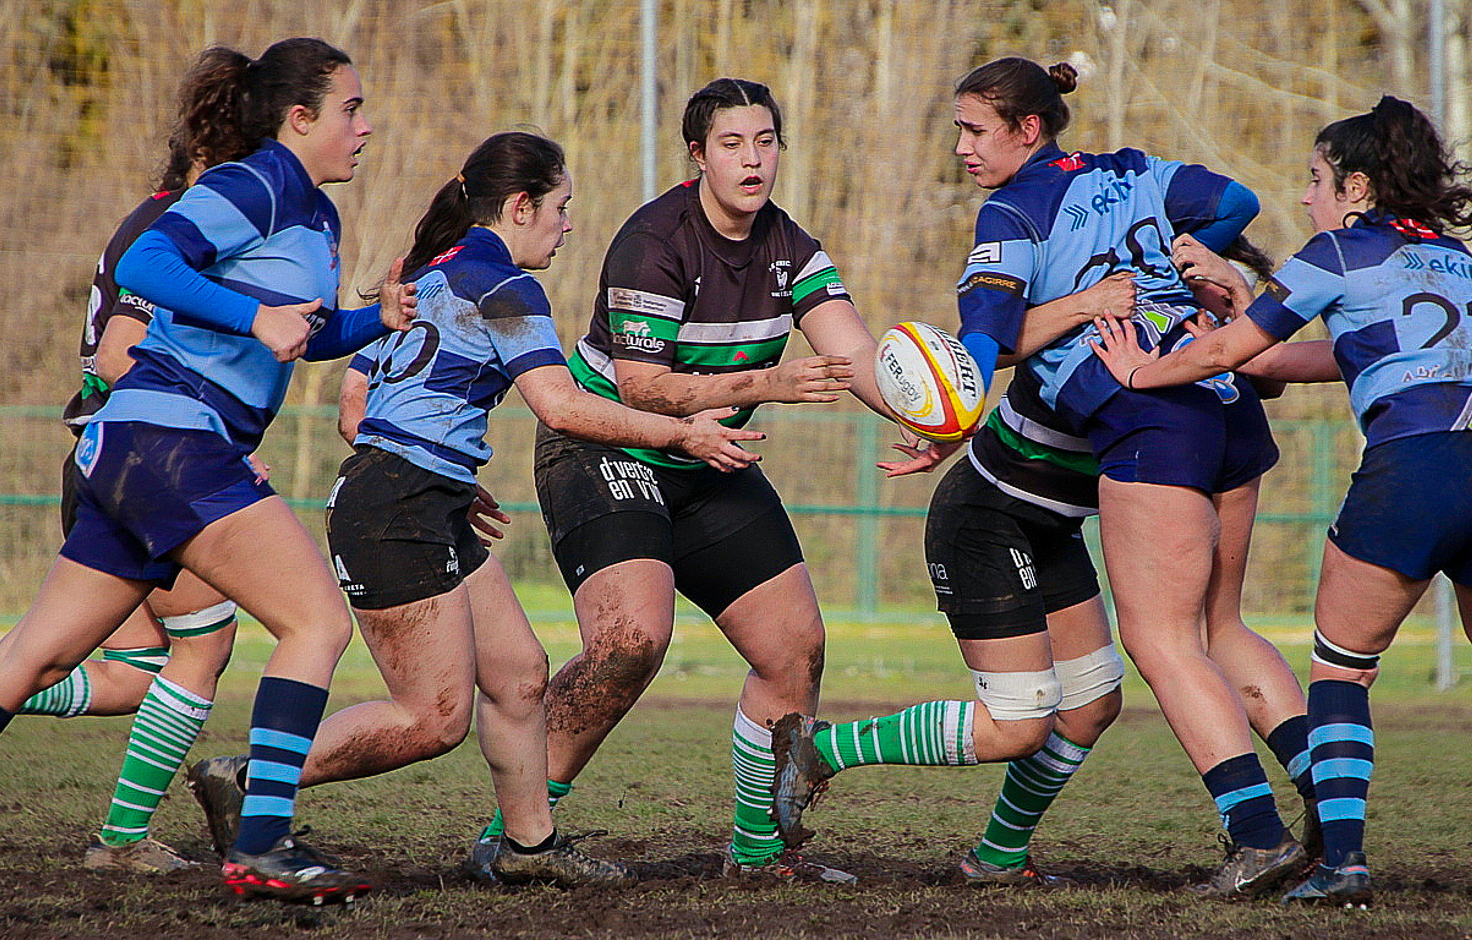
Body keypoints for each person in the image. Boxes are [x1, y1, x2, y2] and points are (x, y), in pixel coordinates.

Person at [1087, 95, 1472, 907]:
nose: (1307, 198)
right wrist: (1235, 295)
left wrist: (1137, 372)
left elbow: (1230, 351)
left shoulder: (1336, 249)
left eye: (1316, 180)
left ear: (1357, 187)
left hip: (1420, 466)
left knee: (1342, 669)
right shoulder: (1452, 255)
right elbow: (1311, 358)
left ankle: (1342, 864)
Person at [775, 57, 1319, 896]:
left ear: (1028, 130)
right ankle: (837, 756)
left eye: (973, 129)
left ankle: (1227, 838)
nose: (959, 146)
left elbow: (982, 345)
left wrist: (951, 404)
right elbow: (1237, 204)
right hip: (1063, 478)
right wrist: (1134, 282)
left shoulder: (1016, 209)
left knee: (1126, 676)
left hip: (1120, 454)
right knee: (1054, 708)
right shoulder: (1140, 175)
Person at [0, 37, 412, 909]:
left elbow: (302, 335)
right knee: (317, 622)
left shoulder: (316, 216)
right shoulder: (252, 183)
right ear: (300, 117)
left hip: (136, 449)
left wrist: (375, 320)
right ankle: (261, 846)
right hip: (174, 441)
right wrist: (252, 316)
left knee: (36, 654)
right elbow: (147, 264)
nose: (365, 126)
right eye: (351, 109)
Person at [185, 131, 764, 888]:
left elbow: (354, 407)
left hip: (417, 496)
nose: (568, 225)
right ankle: (253, 776)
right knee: (432, 718)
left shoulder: (429, 275)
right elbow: (560, 406)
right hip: (395, 508)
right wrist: (681, 433)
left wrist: (443, 465)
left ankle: (528, 849)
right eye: (561, 208)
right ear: (520, 206)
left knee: (522, 673)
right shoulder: (505, 286)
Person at [460, 77, 969, 884]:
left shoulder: (793, 248)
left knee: (793, 647)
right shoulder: (654, 240)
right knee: (631, 642)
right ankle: (512, 836)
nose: (753, 159)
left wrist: (933, 418)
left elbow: (856, 355)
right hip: (608, 450)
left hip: (710, 461)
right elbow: (641, 387)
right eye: (733, 144)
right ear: (698, 157)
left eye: (766, 142)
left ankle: (759, 854)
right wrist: (765, 385)